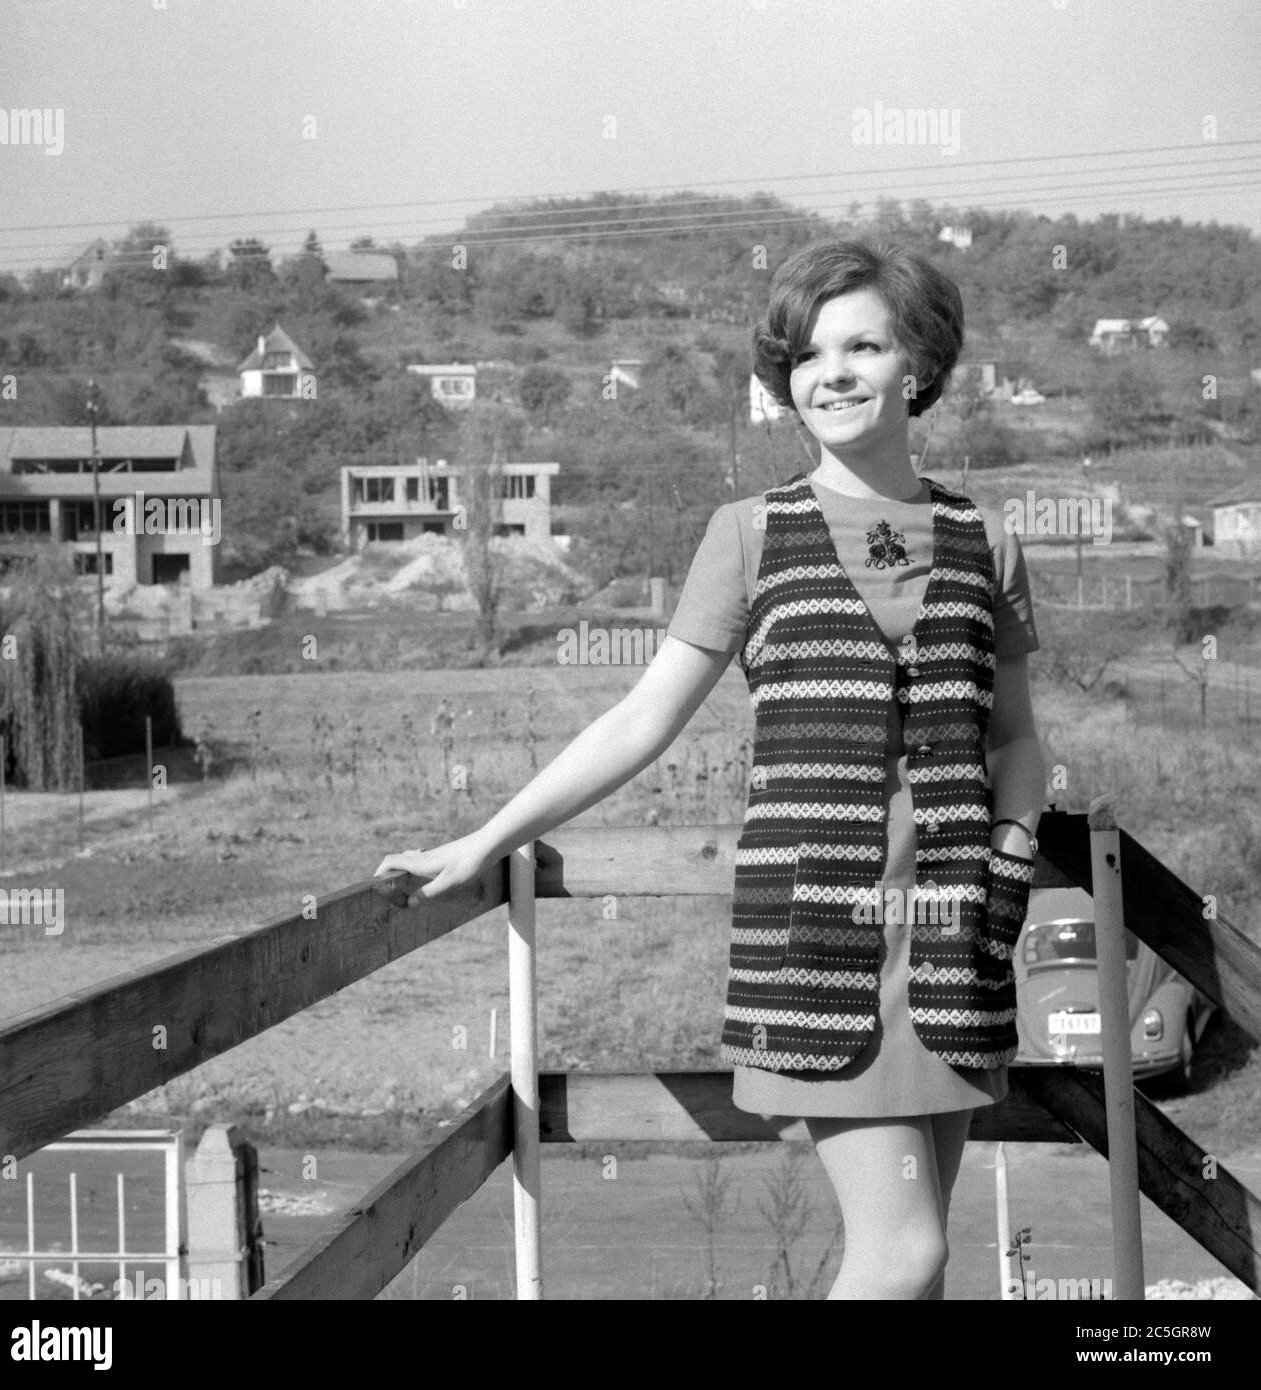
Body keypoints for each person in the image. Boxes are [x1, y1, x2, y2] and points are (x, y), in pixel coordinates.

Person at [375, 238, 1047, 1300]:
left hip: (959, 944)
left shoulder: (984, 540)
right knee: (904, 1252)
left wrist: (1010, 857)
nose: (831, 372)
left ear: (917, 363)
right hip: (821, 951)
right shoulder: (749, 536)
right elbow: (641, 720)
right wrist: (483, 839)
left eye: (862, 345)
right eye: (808, 353)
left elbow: (1014, 737)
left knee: (921, 1265)